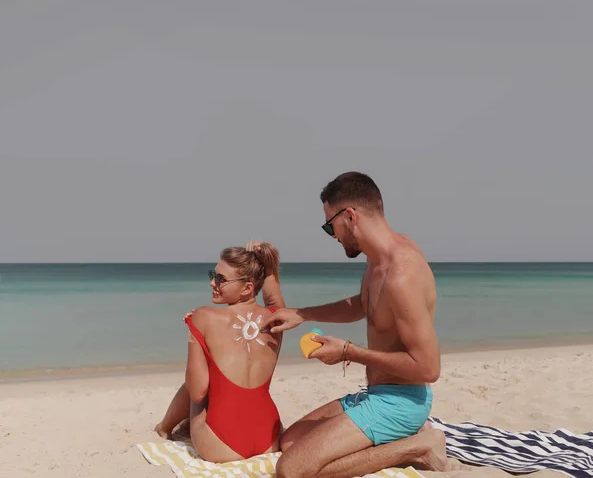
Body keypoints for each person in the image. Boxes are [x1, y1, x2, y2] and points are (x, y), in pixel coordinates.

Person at [262, 172, 450, 478]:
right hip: (377, 394)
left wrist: (348, 351)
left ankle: (420, 445)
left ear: (349, 216)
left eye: (329, 225)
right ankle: (398, 440)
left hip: (401, 402)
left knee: (292, 469)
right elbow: (366, 306)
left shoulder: (402, 274)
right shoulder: (378, 260)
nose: (332, 235)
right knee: (291, 441)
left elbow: (429, 369)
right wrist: (301, 314)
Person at [155, 242, 286, 462]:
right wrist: (269, 266)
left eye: (220, 279)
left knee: (201, 382)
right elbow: (273, 299)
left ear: (247, 288)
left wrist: (193, 331)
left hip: (221, 446)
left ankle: (163, 428)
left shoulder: (203, 317)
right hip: (270, 440)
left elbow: (197, 392)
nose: (212, 283)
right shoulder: (278, 319)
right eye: (213, 275)